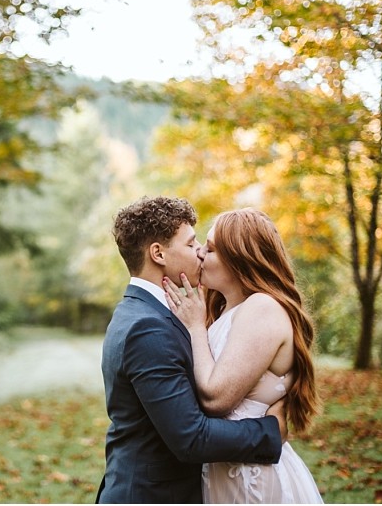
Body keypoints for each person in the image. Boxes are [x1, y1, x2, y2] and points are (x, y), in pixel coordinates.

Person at [96, 196, 286, 504]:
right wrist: (272, 430)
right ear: (158, 253)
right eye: (190, 243)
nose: (199, 252)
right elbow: (192, 438)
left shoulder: (144, 313)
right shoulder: (149, 327)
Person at [162, 207, 323, 503]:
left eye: (210, 249)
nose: (199, 254)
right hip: (226, 471)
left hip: (253, 479)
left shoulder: (262, 307)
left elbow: (216, 398)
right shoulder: (227, 310)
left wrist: (195, 326)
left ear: (240, 259)